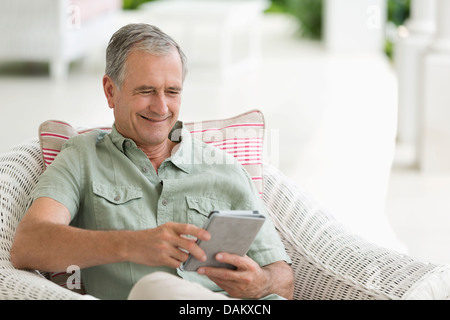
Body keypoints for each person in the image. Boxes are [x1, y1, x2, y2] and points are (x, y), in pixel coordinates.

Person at [10, 23, 294, 300]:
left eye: (172, 92)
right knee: (153, 288)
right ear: (110, 91)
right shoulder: (82, 156)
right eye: (146, 91)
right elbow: (29, 244)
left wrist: (261, 283)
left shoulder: (226, 168)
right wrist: (132, 244)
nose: (161, 108)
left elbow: (283, 279)